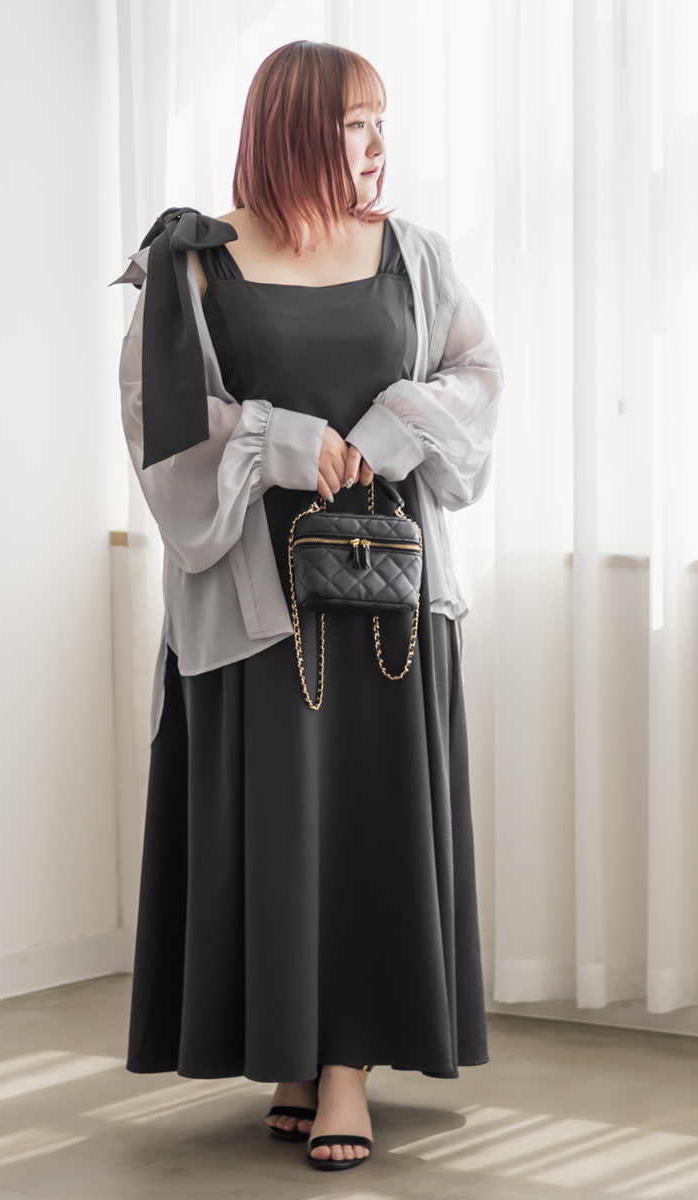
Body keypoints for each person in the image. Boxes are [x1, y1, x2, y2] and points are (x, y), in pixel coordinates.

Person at [114, 39, 504, 1173]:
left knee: (370, 822)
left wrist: (386, 430)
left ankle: (345, 1073)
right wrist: (286, 443)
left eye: (383, 122)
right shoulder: (194, 264)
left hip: (389, 599)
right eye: (354, 124)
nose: (378, 147)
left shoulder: (413, 255)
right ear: (291, 129)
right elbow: (160, 419)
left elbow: (477, 377)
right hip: (256, 603)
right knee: (280, 828)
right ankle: (292, 1053)